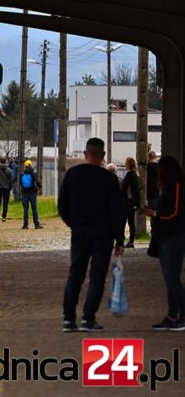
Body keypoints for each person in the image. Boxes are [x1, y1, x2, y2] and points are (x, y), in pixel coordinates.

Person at [58, 138, 125, 332]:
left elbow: (63, 205)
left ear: (85, 154)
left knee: (75, 274)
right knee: (97, 276)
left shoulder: (72, 175)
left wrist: (74, 223)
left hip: (79, 231)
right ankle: (88, 319)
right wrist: (119, 239)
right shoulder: (110, 179)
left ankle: (69, 321)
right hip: (103, 233)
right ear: (103, 156)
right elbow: (117, 212)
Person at [142, 155, 185, 331]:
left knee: (172, 279)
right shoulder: (169, 188)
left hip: (173, 236)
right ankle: (172, 315)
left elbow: (174, 212)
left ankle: (182, 315)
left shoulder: (176, 187)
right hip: (166, 236)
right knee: (170, 280)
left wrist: (155, 214)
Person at [121, 157, 141, 248]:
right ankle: (130, 240)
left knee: (123, 222)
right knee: (131, 222)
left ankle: (122, 240)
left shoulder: (129, 175)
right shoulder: (135, 175)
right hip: (132, 202)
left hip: (127, 202)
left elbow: (124, 189)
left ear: (127, 165)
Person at [20, 159, 42, 229]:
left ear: (25, 166)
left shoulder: (22, 174)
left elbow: (21, 183)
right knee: (34, 209)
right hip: (32, 193)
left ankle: (25, 225)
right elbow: (38, 182)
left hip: (24, 194)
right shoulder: (33, 174)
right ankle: (36, 225)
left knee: (25, 209)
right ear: (31, 165)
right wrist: (39, 187)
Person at [0, 157, 14, 222]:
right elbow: (11, 180)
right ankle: (4, 217)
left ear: (0, 162)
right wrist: (10, 188)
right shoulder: (9, 170)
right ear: (6, 162)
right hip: (6, 189)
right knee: (5, 203)